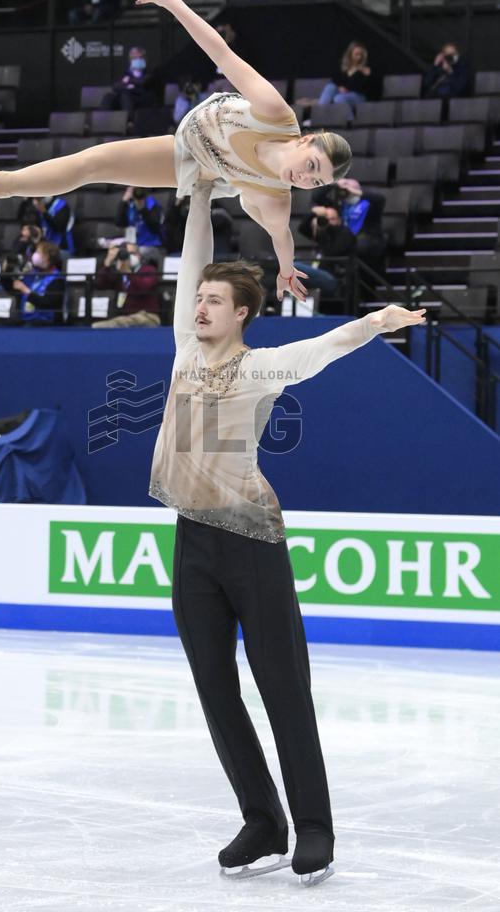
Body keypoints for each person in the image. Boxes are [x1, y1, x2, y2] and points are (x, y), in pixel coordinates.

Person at [149, 180, 426, 883]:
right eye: (199, 298)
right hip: (192, 540)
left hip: (251, 542)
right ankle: (262, 820)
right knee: (214, 686)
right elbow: (194, 260)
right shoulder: (184, 351)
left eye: (214, 300)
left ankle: (312, 826)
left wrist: (376, 321)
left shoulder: (262, 366)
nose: (201, 305)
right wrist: (203, 201)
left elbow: (326, 346)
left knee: (281, 687)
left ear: (242, 313)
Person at [0, 0, 353, 307]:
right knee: (93, 159)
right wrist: (172, 2)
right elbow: (220, 51)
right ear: (304, 140)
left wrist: (284, 272)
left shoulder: (277, 199)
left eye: (315, 181)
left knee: (102, 172)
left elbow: (283, 241)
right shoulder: (275, 113)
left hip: (204, 168)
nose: (305, 178)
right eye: (311, 164)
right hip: (194, 136)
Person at [92, 242, 161, 327]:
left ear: (139, 255)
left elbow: (144, 287)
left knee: (104, 326)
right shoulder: (119, 274)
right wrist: (107, 262)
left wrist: (128, 272)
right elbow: (99, 284)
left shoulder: (149, 270)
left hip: (147, 316)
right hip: (125, 318)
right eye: (126, 254)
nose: (129, 257)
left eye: (132, 253)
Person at [296, 203, 357, 297]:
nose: (328, 222)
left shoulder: (346, 234)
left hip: (336, 278)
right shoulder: (324, 234)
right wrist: (313, 213)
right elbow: (302, 229)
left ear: (339, 220)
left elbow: (331, 252)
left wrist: (324, 227)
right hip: (323, 274)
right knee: (293, 269)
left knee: (295, 266)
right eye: (325, 219)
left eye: (332, 219)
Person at [4, 240, 65, 325]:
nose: (34, 255)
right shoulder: (32, 274)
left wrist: (26, 290)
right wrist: (5, 271)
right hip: (26, 320)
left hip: (46, 323)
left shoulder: (57, 279)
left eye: (38, 252)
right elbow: (11, 288)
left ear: (47, 257)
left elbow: (48, 303)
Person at [318, 42, 376, 119]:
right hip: (345, 93)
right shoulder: (345, 69)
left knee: (339, 98)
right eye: (356, 54)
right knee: (330, 87)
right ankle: (318, 115)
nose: (359, 57)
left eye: (361, 54)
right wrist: (340, 87)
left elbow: (365, 87)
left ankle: (350, 121)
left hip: (359, 95)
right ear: (350, 55)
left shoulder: (365, 69)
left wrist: (368, 75)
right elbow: (336, 80)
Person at [102, 45, 156, 116]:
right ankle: (102, 120)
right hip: (125, 100)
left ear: (145, 59)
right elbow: (115, 86)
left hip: (142, 100)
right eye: (134, 58)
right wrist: (124, 83)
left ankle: (129, 121)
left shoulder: (149, 72)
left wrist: (129, 81)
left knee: (125, 95)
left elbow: (143, 83)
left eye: (140, 58)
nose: (137, 60)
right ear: (131, 60)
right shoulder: (126, 73)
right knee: (108, 97)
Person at [116, 186, 164, 251]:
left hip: (150, 244)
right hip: (132, 244)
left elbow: (155, 227)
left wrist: (142, 209)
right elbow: (119, 224)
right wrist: (123, 202)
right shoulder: (129, 204)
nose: (137, 192)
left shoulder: (152, 203)